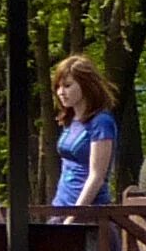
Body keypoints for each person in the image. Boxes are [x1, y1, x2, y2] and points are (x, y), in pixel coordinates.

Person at [50, 55, 119, 206]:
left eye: (67, 86)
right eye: (58, 87)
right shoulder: (70, 119)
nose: (61, 92)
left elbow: (97, 177)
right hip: (61, 205)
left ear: (86, 85)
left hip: (90, 211)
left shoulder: (101, 122)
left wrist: (75, 214)